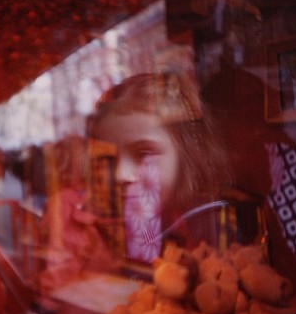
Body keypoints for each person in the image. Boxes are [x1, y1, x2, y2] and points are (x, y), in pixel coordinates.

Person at [88, 73, 231, 262]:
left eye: (143, 153)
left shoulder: (211, 227)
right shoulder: (104, 231)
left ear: (188, 155)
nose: (120, 174)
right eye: (109, 160)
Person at [39, 135, 115, 291]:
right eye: (92, 164)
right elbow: (57, 250)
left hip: (91, 279)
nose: (97, 171)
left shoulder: (82, 196)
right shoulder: (62, 202)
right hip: (74, 284)